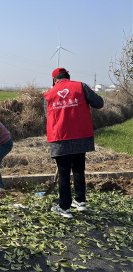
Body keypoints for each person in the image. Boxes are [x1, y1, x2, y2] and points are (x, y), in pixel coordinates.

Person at [44, 67, 104, 218]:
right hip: (80, 136)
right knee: (78, 170)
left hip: (60, 137)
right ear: (68, 77)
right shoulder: (80, 86)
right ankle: (80, 201)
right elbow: (99, 103)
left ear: (54, 80)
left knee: (64, 173)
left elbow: (48, 116)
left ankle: (65, 208)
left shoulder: (48, 94)